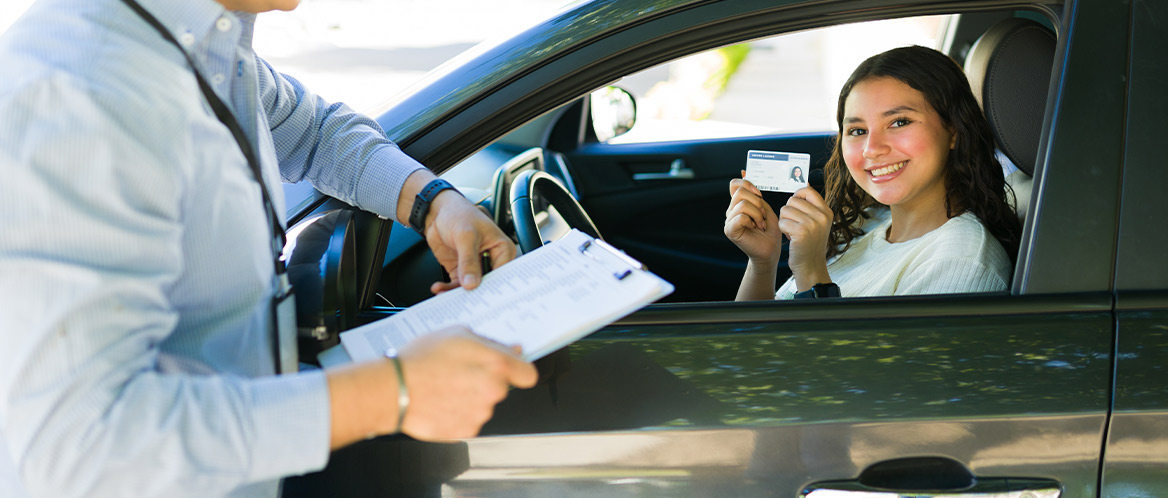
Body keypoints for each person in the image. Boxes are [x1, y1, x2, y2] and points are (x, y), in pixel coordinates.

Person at [0, 1, 538, 498]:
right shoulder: (79, 90)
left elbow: (317, 133)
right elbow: (81, 444)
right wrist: (392, 392)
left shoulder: (201, 44)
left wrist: (432, 203)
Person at [725, 46, 1021, 300]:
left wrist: (813, 271)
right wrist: (763, 264)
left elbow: (847, 368)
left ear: (954, 130)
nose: (871, 148)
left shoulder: (962, 262)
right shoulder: (867, 221)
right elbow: (749, 347)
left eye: (900, 122)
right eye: (857, 130)